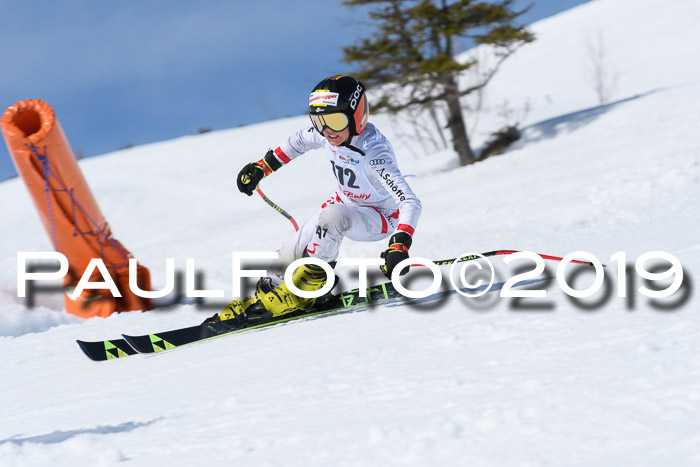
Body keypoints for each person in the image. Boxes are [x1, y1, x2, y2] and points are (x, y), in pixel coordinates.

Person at [218, 75, 422, 323]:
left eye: (335, 120)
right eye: (319, 121)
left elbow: (409, 202)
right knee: (291, 249)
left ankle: (309, 288)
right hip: (344, 206)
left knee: (332, 216)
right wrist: (262, 167)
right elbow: (299, 141)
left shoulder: (374, 154)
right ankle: (268, 292)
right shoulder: (329, 134)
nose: (327, 131)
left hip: (379, 218)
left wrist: (399, 245)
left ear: (355, 116)